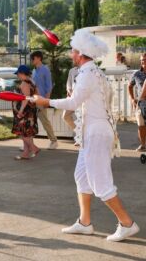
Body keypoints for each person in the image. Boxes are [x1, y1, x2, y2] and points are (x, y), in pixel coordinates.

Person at [33, 28, 140, 242]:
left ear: (80, 54)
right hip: (93, 132)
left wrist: (46, 102)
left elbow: (73, 103)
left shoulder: (88, 74)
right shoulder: (93, 72)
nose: (71, 54)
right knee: (81, 176)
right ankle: (84, 222)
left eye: (73, 51)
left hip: (96, 134)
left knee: (100, 182)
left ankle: (127, 223)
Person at [30, 51, 58, 149]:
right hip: (33, 100)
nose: (31, 61)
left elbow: (49, 86)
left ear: (38, 58)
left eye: (33, 58)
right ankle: (29, 144)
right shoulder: (34, 71)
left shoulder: (45, 70)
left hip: (41, 100)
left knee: (44, 121)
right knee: (30, 122)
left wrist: (46, 100)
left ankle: (53, 141)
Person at [11, 65, 40, 160]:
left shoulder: (25, 83)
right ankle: (25, 153)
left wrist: (20, 111)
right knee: (26, 133)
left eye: (18, 74)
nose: (18, 76)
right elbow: (37, 95)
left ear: (22, 73)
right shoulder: (32, 82)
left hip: (25, 112)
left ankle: (34, 148)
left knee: (22, 132)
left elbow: (25, 99)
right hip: (30, 111)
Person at [128, 53, 146, 152]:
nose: (144, 61)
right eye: (142, 60)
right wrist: (132, 98)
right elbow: (130, 86)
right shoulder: (137, 74)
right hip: (141, 103)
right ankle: (143, 145)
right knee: (141, 125)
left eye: (145, 60)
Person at [62, 66, 79, 132]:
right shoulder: (72, 70)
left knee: (83, 119)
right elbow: (69, 83)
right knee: (65, 116)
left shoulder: (87, 69)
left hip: (83, 98)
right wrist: (69, 90)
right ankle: (79, 134)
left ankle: (81, 138)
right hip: (72, 98)